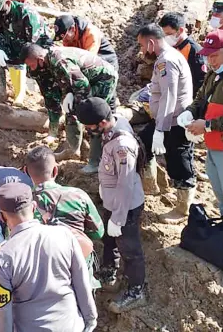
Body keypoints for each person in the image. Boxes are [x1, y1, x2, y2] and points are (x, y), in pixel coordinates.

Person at [0, 183, 97, 332]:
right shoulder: (64, 235)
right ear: (33, 207)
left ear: (2, 217)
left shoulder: (2, 256)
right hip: (71, 326)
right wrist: (91, 319)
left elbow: (1, 312)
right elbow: (82, 282)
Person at [76, 97, 147, 313]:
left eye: (89, 126)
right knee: (109, 239)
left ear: (102, 122)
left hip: (125, 205)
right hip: (112, 200)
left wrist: (119, 216)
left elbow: (125, 184)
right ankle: (109, 272)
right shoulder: (114, 124)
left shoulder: (122, 145)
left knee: (130, 249)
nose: (89, 130)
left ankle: (137, 290)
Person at [20, 43, 118, 173]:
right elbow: (59, 87)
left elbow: (82, 85)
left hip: (103, 79)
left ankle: (95, 161)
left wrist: (72, 96)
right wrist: (68, 95)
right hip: (86, 81)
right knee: (72, 112)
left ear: (40, 59)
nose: (31, 69)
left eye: (31, 65)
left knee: (92, 116)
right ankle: (74, 150)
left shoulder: (60, 60)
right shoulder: (45, 63)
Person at [136, 23, 196, 224]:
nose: (142, 51)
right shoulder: (167, 57)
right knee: (143, 143)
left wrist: (161, 130)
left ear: (151, 43)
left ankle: (182, 208)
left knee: (180, 161)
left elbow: (168, 97)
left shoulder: (166, 61)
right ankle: (151, 184)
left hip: (174, 122)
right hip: (166, 119)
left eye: (143, 46)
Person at [25, 145, 104, 290]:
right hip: (77, 265)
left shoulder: (24, 203)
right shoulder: (78, 195)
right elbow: (98, 232)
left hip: (41, 275)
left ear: (26, 171)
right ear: (55, 170)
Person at [178, 29, 223, 216]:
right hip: (214, 144)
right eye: (208, 56)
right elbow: (201, 98)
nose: (211, 61)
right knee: (218, 187)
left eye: (215, 56)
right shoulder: (213, 75)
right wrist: (189, 112)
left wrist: (205, 125)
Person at [0, 0, 49, 104]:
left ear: (8, 2)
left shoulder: (27, 13)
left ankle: (44, 97)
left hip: (34, 50)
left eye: (0, 8)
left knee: (37, 63)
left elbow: (34, 45)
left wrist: (21, 58)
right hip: (14, 46)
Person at [159, 12, 205, 97]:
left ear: (180, 31)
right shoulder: (170, 47)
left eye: (168, 34)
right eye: (163, 34)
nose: (165, 38)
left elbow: (199, 82)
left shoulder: (194, 51)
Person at [54, 14, 119, 71]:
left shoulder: (91, 34)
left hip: (107, 65)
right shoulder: (68, 37)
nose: (64, 40)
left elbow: (89, 59)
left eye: (64, 36)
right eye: (61, 38)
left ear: (72, 29)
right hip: (91, 63)